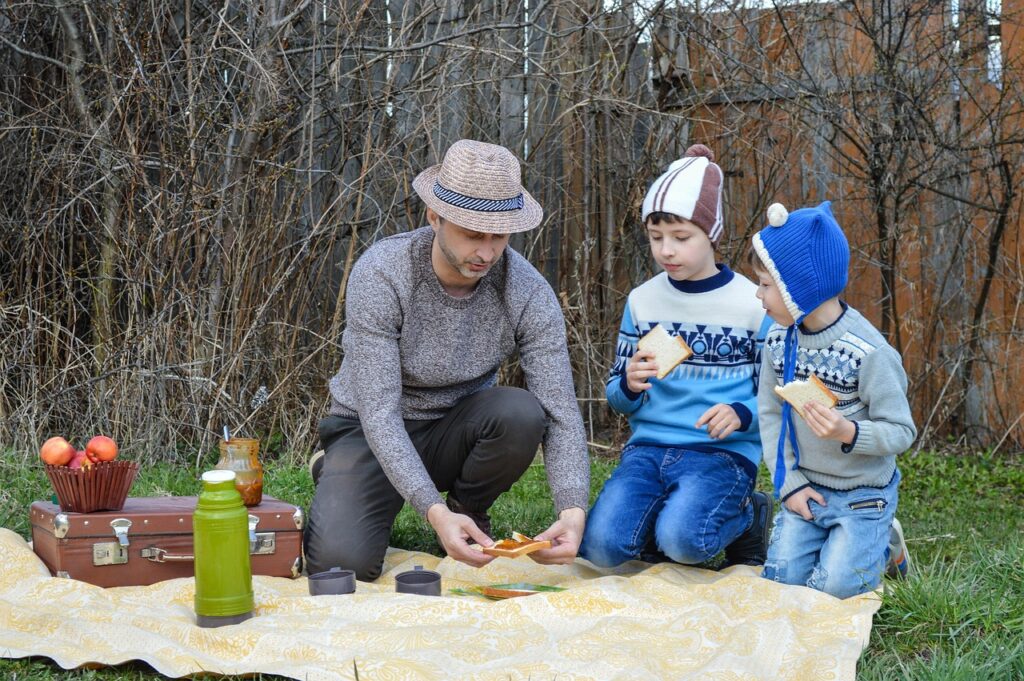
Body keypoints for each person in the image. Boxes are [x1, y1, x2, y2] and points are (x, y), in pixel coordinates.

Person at [304, 139, 590, 581]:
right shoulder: (383, 273)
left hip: (458, 428)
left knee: (521, 412)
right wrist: (430, 511)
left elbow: (560, 410)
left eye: (499, 235)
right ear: (434, 217)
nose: (488, 252)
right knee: (341, 566)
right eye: (474, 233)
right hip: (370, 429)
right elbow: (379, 410)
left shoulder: (527, 291)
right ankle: (341, 470)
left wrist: (572, 509)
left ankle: (468, 511)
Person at [579, 145, 773, 569]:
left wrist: (743, 414)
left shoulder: (752, 304)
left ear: (711, 235)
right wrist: (628, 384)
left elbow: (777, 397)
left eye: (681, 238)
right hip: (647, 450)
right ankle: (656, 521)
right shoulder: (644, 301)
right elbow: (617, 396)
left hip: (721, 454)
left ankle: (748, 516)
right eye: (656, 238)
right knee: (600, 550)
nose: (667, 250)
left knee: (685, 543)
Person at [752, 200, 916, 598]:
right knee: (781, 585)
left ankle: (882, 542)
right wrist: (789, 485)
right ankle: (837, 543)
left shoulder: (867, 352)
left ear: (801, 286)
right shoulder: (777, 340)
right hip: (809, 488)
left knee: (836, 590)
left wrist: (848, 431)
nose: (757, 295)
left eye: (766, 284)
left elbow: (901, 431)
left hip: (863, 495)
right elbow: (770, 414)